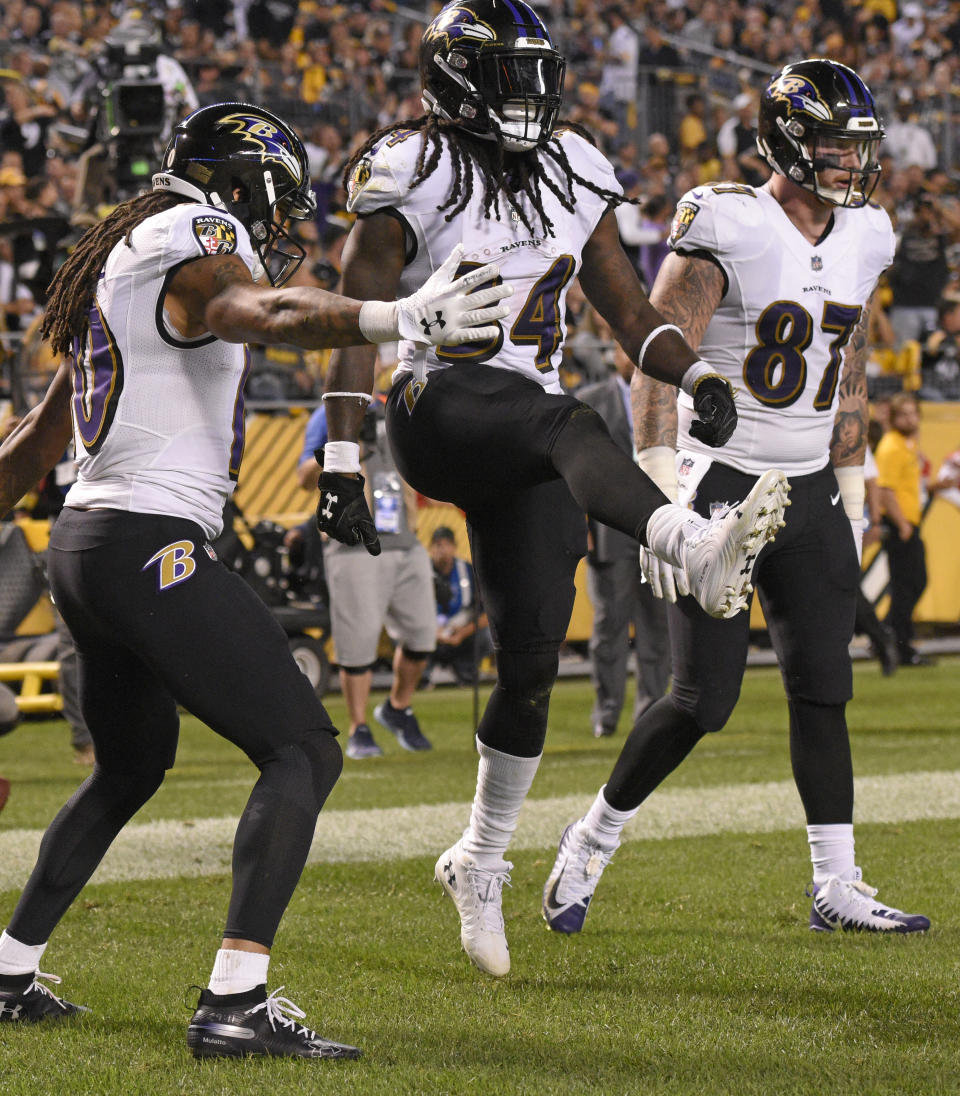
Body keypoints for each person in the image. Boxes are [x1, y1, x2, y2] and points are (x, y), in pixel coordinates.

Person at [0, 101, 511, 1054]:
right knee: (304, 750)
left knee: (129, 768)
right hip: (147, 540)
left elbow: (35, 443)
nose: (281, 222)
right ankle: (235, 1002)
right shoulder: (196, 236)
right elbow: (257, 309)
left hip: (87, 541)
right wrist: (391, 313)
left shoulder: (127, 258)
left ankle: (8, 968)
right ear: (234, 185)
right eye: (273, 195)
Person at [314, 0, 790, 978]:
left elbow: (624, 302)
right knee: (570, 417)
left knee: (530, 658)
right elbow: (352, 320)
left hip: (526, 437)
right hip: (432, 402)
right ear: (454, 81)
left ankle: (479, 858)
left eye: (537, 78)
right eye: (507, 80)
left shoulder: (572, 168)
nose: (528, 101)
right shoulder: (411, 165)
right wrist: (341, 458)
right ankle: (692, 546)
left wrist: (694, 375)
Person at [543, 59, 930, 940]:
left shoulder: (866, 233)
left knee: (824, 686)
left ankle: (836, 884)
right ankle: (592, 838)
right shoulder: (732, 219)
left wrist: (854, 480)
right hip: (721, 480)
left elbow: (851, 360)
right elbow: (657, 345)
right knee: (701, 700)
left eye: (856, 145)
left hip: (809, 487)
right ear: (789, 140)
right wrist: (658, 486)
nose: (849, 161)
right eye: (833, 143)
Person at [296, 367, 435, 759]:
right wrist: (344, 448)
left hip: (404, 539)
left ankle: (397, 707)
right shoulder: (329, 414)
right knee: (357, 644)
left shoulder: (394, 409)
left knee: (423, 636)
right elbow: (303, 478)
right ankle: (358, 726)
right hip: (354, 543)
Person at [578, 343, 669, 737]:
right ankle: (607, 712)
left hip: (661, 528)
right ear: (614, 353)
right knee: (609, 627)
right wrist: (582, 523)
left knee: (658, 627)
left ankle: (651, 711)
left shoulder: (669, 401)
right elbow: (575, 469)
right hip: (611, 530)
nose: (630, 352)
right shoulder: (590, 401)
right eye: (622, 345)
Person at [875, 392, 941, 667]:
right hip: (901, 524)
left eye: (913, 413)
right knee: (907, 586)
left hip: (908, 523)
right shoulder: (892, 446)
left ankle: (885, 636)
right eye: (903, 414)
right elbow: (885, 489)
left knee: (914, 583)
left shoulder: (905, 445)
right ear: (893, 418)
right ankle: (900, 648)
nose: (910, 418)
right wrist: (901, 523)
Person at [424, 525, 492, 688]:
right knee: (401, 634)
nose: (443, 549)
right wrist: (432, 632)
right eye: (438, 545)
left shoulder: (468, 570)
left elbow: (487, 613)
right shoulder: (420, 571)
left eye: (447, 544)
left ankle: (465, 668)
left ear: (454, 547)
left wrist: (462, 633)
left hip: (460, 633)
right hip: (427, 634)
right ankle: (422, 673)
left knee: (489, 634)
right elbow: (406, 612)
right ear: (431, 548)